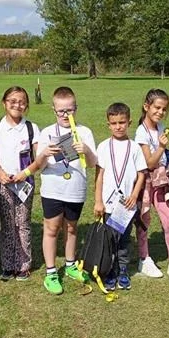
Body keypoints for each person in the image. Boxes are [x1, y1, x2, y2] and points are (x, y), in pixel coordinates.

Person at [35, 86, 97, 295]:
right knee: (51, 229)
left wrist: (86, 150)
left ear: (75, 109)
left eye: (69, 110)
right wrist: (44, 154)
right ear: (53, 110)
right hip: (52, 190)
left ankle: (70, 265)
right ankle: (51, 272)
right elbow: (38, 166)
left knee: (71, 228)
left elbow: (92, 163)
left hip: (75, 189)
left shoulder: (84, 132)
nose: (65, 115)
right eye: (61, 111)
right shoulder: (47, 133)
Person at [0, 87, 40, 281]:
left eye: (22, 101)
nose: (17, 105)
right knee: (8, 223)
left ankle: (23, 265)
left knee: (23, 223)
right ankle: (8, 265)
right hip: (3, 183)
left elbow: (39, 159)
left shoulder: (31, 128)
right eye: (12, 101)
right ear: (4, 103)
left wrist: (25, 174)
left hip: (25, 183)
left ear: (27, 105)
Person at [94, 102, 147, 291]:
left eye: (122, 122)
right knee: (109, 240)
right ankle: (110, 270)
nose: (118, 127)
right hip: (108, 204)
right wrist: (98, 201)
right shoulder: (103, 147)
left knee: (124, 239)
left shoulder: (134, 148)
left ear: (129, 122)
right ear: (108, 124)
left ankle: (123, 270)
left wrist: (134, 195)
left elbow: (141, 174)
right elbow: (99, 176)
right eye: (114, 123)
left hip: (126, 205)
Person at [133, 89, 169, 282]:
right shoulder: (140, 132)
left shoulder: (161, 127)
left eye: (164, 109)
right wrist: (161, 147)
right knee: (144, 219)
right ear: (146, 107)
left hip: (162, 181)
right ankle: (144, 259)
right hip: (146, 181)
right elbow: (149, 163)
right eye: (157, 108)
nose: (160, 112)